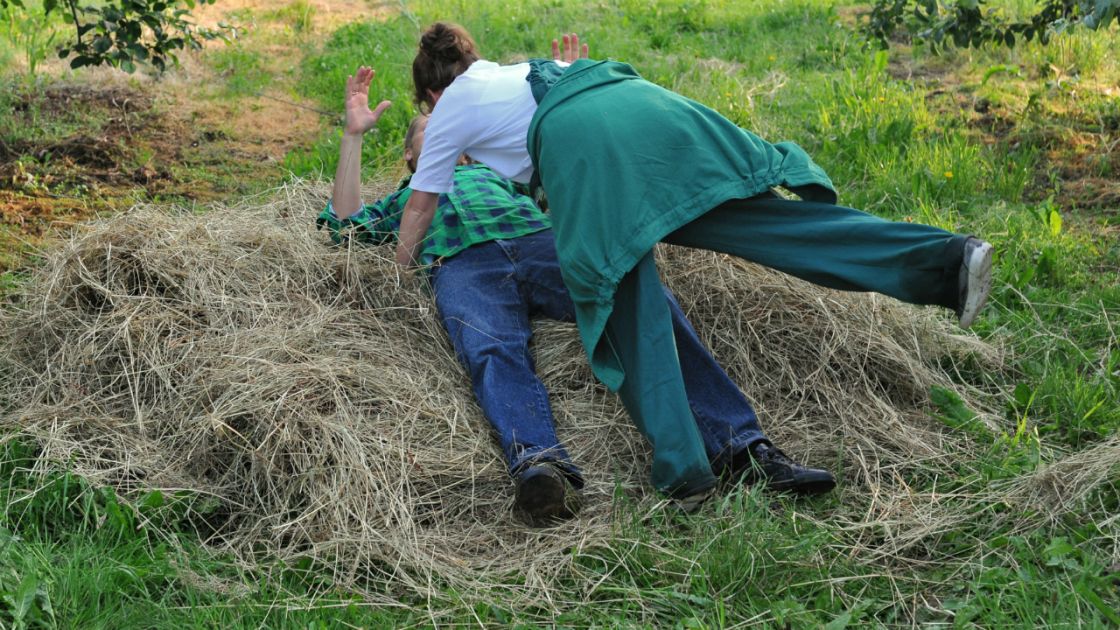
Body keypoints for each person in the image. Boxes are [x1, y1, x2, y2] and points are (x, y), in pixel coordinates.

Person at [382, 23, 996, 508]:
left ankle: (691, 473)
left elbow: (422, 201)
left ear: (430, 96)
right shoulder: (524, 72)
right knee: (764, 221)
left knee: (622, 299)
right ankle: (947, 261)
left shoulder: (450, 108)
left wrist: (402, 273)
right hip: (647, 106)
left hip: (591, 152)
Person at [320, 68, 836, 523]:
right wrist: (352, 136)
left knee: (645, 306)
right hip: (463, 265)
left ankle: (741, 447)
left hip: (541, 244)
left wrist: (565, 92)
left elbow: (562, 156)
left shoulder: (505, 176)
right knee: (489, 349)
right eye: (431, 136)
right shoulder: (405, 199)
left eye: (458, 136)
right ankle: (541, 468)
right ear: (412, 155)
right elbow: (344, 225)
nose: (448, 141)